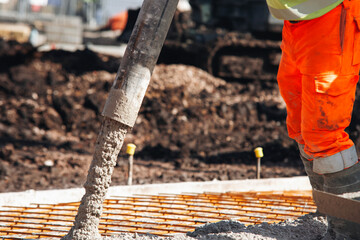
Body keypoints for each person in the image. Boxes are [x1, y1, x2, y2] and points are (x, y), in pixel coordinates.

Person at [266, 0, 360, 239]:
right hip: (299, 20)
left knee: (323, 133)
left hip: (332, 15)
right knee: (300, 125)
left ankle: (348, 229)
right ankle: (329, 210)